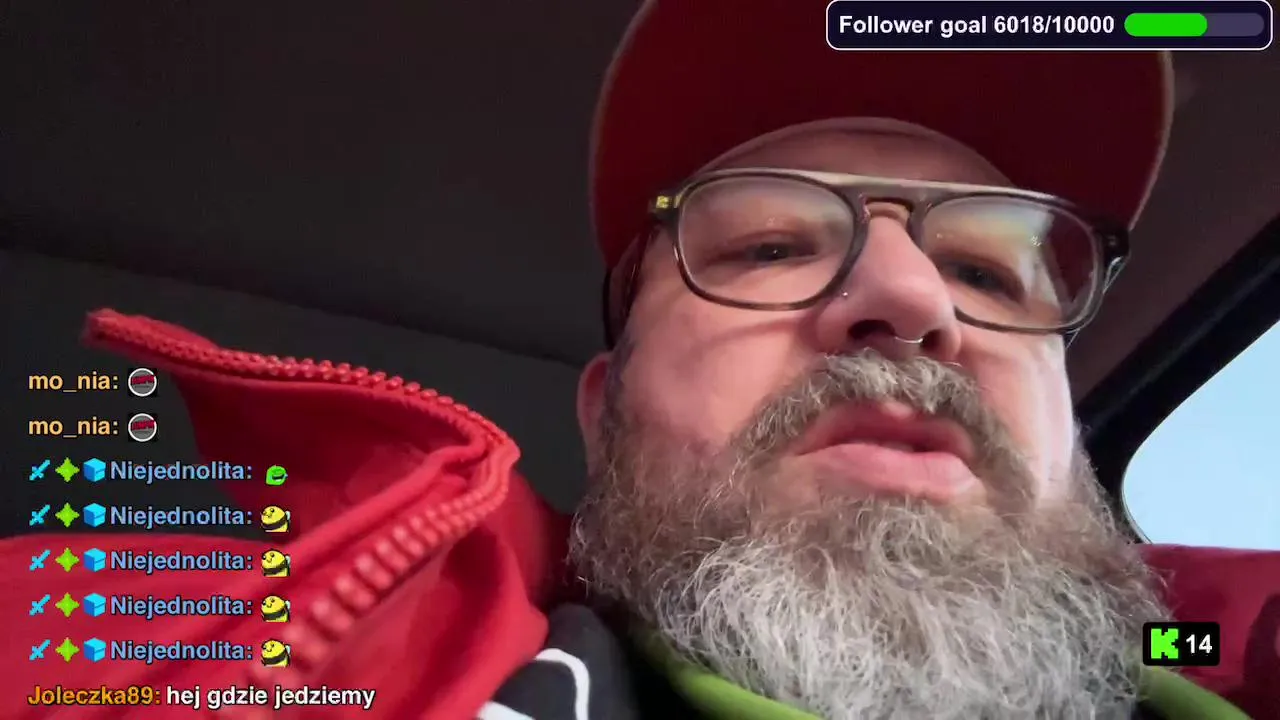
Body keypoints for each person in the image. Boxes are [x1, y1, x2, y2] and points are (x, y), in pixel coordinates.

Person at [4, 1, 1278, 719]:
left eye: (991, 274)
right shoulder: (176, 639)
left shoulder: (1229, 653)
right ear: (604, 414)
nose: (906, 300)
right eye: (770, 246)